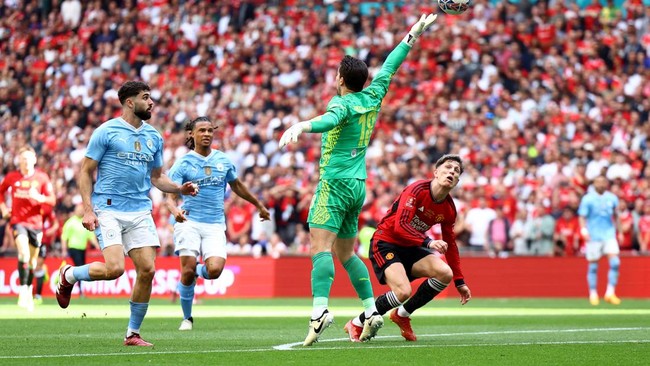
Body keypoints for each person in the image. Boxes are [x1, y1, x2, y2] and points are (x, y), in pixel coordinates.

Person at [278, 13, 439, 346]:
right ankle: (370, 311)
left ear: (339, 79)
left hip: (335, 184)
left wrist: (302, 126)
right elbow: (390, 67)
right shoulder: (374, 95)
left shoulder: (342, 103)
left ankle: (319, 311)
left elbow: (328, 119)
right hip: (358, 186)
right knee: (348, 254)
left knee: (319, 248)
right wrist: (411, 34)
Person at [55, 81, 198, 347]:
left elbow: (157, 177)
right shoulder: (106, 131)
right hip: (107, 207)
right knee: (114, 269)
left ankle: (132, 334)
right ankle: (69, 275)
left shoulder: (154, 136)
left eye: (151, 97)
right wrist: (87, 209)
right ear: (130, 102)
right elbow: (85, 171)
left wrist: (179, 188)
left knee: (147, 270)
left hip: (139, 210)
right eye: (146, 97)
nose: (151, 102)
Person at [344, 154, 472, 342]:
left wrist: (460, 282)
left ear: (457, 182)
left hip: (412, 246)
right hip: (386, 241)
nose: (452, 171)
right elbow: (400, 225)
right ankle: (357, 322)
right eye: (448, 167)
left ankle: (401, 315)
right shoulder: (417, 190)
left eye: (456, 171)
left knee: (445, 273)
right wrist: (428, 242)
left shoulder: (449, 209)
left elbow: (451, 244)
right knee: (403, 291)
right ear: (436, 172)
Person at [165, 116, 270, 331]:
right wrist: (175, 211)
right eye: (201, 130)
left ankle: (195, 272)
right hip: (189, 221)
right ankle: (187, 318)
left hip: (214, 224)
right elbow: (169, 193)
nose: (206, 134)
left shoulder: (222, 160)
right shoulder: (183, 162)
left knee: (214, 271)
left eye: (209, 130)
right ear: (191, 135)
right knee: (186, 270)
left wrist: (258, 205)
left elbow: (237, 185)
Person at [0, 146, 56, 311]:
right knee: (23, 253)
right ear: (19, 160)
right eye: (22, 158)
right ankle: (23, 292)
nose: (25, 161)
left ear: (34, 159)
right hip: (18, 221)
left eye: (28, 158)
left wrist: (39, 197)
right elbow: (1, 192)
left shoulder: (42, 177)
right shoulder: (12, 177)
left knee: (32, 261)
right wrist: (3, 209)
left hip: (36, 225)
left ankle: (29, 289)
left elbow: (52, 200)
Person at [577, 175, 622, 306]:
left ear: (606, 184)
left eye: (603, 182)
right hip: (593, 236)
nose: (601, 184)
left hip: (609, 234)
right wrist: (583, 230)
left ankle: (610, 293)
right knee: (593, 266)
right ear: (594, 184)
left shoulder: (612, 198)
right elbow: (582, 216)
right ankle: (593, 294)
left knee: (615, 263)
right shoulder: (588, 198)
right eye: (598, 182)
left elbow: (616, 215)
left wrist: (619, 232)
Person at [60, 202, 99, 297]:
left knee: (81, 267)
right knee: (79, 267)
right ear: (75, 211)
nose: (80, 212)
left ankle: (80, 289)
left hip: (82, 249)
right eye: (79, 210)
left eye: (82, 210)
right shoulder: (70, 222)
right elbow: (64, 237)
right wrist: (64, 250)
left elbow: (91, 237)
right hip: (73, 248)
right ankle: (80, 290)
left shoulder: (85, 222)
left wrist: (98, 247)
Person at [33, 203, 60, 304]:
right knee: (30, 265)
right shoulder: (28, 205)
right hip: (30, 237)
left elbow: (56, 224)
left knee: (38, 267)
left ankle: (38, 296)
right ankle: (27, 293)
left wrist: (50, 231)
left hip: (42, 240)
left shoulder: (46, 209)